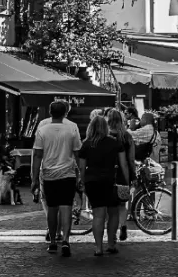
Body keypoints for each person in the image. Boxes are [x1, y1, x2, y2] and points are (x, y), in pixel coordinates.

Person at [30, 100, 82, 258]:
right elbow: (78, 154)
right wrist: (81, 174)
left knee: (52, 208)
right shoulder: (72, 129)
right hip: (68, 174)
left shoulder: (42, 130)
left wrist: (34, 178)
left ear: (50, 112)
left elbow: (37, 155)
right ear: (65, 112)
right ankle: (65, 240)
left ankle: (53, 241)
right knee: (66, 207)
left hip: (49, 174)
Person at [77, 114, 130, 256]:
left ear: (91, 127)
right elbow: (123, 164)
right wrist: (126, 181)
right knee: (113, 213)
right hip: (110, 181)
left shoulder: (86, 144)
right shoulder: (114, 142)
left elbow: (81, 167)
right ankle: (111, 244)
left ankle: (98, 248)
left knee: (98, 215)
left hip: (92, 182)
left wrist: (82, 181)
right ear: (106, 127)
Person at [106, 107, 136, 241]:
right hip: (123, 174)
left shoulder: (104, 136)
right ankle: (123, 226)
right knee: (123, 203)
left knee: (109, 205)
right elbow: (131, 159)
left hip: (107, 174)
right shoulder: (126, 136)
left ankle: (111, 232)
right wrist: (132, 176)